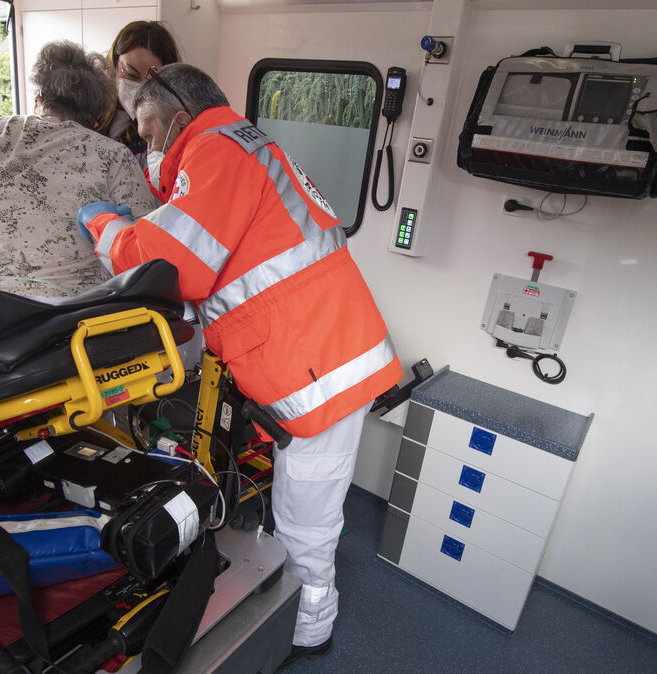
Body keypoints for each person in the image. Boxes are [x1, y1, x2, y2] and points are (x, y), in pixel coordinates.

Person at [78, 64, 401, 669]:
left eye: (148, 133)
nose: (147, 148)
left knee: (308, 514)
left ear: (179, 117)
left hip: (320, 369)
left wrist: (105, 226)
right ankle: (294, 599)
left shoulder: (216, 151)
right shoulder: (247, 146)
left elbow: (175, 264)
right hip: (320, 350)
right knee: (304, 499)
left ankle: (309, 630)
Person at [0, 41, 156, 316]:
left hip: (0, 313)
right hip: (82, 316)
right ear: (97, 116)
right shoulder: (113, 156)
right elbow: (148, 252)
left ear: (39, 98)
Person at [104, 21, 180, 164]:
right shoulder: (90, 111)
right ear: (114, 63)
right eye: (131, 75)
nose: (139, 89)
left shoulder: (166, 130)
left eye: (150, 81)